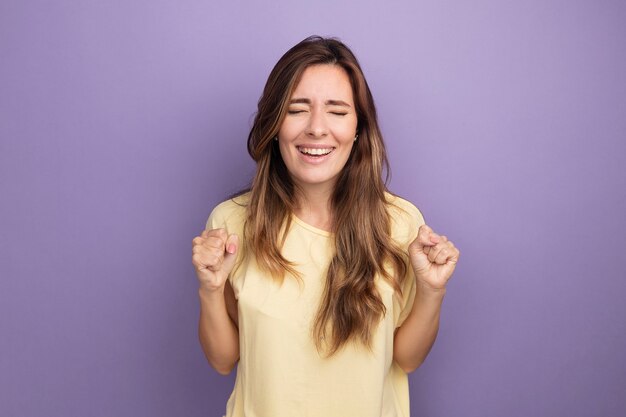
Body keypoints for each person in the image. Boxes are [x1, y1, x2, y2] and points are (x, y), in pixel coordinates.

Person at [191, 35, 460, 417]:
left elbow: (408, 358)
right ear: (274, 123)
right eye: (297, 109)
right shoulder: (231, 223)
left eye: (336, 111)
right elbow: (222, 360)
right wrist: (210, 289)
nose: (317, 129)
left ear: (358, 127)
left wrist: (432, 290)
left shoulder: (401, 225)